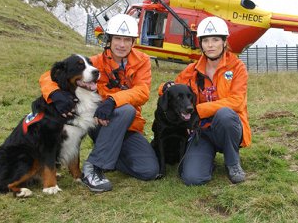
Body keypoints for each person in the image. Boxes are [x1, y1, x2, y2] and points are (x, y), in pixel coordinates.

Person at [39, 14, 159, 193]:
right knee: (126, 110)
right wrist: (55, 93)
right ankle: (94, 167)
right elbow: (47, 76)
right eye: (117, 38)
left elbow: (142, 92)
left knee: (149, 171)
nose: (121, 44)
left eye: (127, 40)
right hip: (101, 123)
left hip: (129, 126)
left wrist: (112, 100)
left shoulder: (142, 61)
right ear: (109, 40)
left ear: (133, 42)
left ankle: (109, 153)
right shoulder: (94, 63)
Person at [161, 16, 251, 185]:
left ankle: (233, 163)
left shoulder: (237, 67)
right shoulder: (192, 70)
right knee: (192, 178)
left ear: (224, 42)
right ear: (200, 43)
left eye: (216, 40)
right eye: (206, 40)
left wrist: (200, 110)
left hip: (228, 128)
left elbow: (237, 101)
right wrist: (166, 86)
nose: (210, 45)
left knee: (224, 114)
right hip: (201, 130)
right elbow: (172, 89)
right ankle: (206, 160)